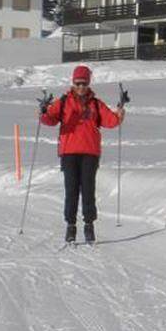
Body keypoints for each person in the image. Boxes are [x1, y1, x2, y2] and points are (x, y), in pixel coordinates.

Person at [39, 65, 125, 243]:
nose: (81, 87)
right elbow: (49, 120)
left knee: (88, 190)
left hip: (90, 152)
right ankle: (71, 226)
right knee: (71, 191)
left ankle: (89, 226)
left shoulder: (95, 103)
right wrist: (43, 111)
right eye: (78, 83)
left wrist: (120, 110)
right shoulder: (63, 102)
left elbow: (111, 121)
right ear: (73, 83)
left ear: (88, 83)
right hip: (69, 152)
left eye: (84, 83)